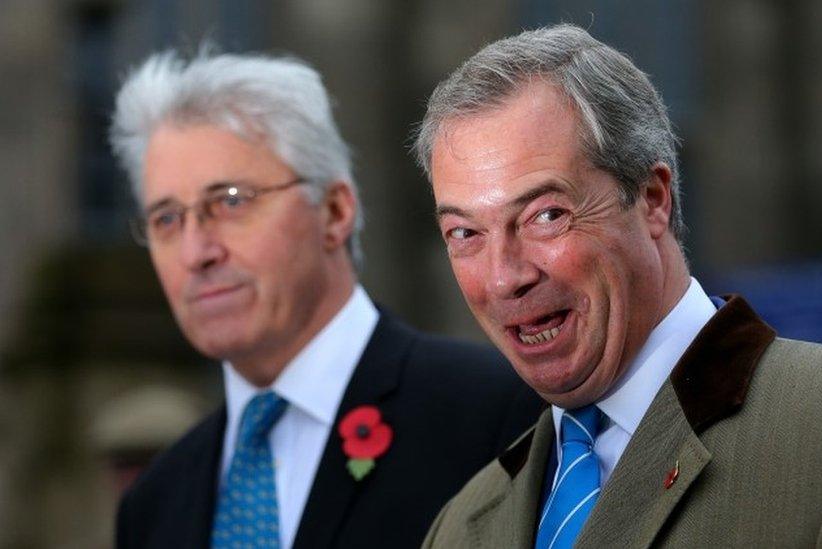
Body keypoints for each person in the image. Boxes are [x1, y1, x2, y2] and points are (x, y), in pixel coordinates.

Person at [414, 24, 822, 548]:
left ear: (653, 200)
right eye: (465, 232)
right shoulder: (464, 524)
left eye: (545, 215)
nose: (505, 276)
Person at [109, 49, 541, 549]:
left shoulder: (497, 413)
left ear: (335, 211)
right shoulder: (153, 502)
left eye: (230, 202)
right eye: (166, 219)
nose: (195, 251)